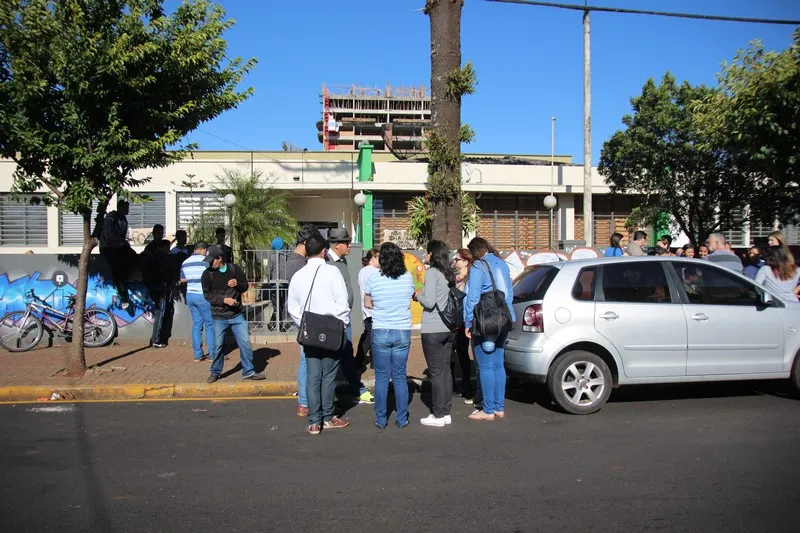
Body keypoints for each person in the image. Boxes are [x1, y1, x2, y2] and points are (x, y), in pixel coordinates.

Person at [287, 234, 351, 435]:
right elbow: (343, 304)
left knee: (313, 376)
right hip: (332, 330)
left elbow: (293, 308)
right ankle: (328, 416)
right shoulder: (332, 272)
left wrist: (304, 324)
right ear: (324, 251)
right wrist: (341, 324)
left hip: (309, 331)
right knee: (329, 376)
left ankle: (315, 422)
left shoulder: (299, 275)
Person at [364, 242, 415, 429]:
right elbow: (410, 298)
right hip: (402, 330)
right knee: (400, 376)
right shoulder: (407, 277)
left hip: (381, 330)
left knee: (382, 377)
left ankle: (381, 419)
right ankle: (402, 419)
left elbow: (367, 303)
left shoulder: (374, 278)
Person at [463, 237, 515, 421]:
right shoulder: (502, 263)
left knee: (485, 365)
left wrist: (468, 323)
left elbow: (473, 298)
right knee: (498, 364)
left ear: (475, 251)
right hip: (504, 320)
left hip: (486, 322)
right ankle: (499, 407)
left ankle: (488, 409)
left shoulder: (479, 267)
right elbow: (509, 293)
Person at [202, 244, 265, 383]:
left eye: (212, 260)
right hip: (219, 316)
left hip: (236, 315)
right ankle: (215, 372)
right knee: (218, 346)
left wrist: (237, 283)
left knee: (245, 344)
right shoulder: (207, 274)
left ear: (219, 258)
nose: (210, 263)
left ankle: (248, 371)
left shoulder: (234, 269)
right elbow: (207, 295)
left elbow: (245, 286)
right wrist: (224, 300)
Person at [326, 227, 374, 405]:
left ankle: (345, 390)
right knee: (342, 355)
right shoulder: (326, 262)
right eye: (347, 243)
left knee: (345, 355)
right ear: (337, 245)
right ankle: (355, 389)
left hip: (344, 317)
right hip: (334, 319)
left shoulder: (342, 261)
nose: (350, 246)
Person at [416, 240, 457, 427]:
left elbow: (429, 302)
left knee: (436, 373)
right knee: (445, 371)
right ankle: (446, 411)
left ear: (432, 254)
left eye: (427, 252)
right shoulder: (447, 273)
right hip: (448, 328)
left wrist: (417, 295)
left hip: (433, 329)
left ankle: (438, 415)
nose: (425, 255)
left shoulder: (432, 273)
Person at [286, 224, 321, 417]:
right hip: (306, 319)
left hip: (304, 318)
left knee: (306, 360)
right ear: (306, 243)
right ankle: (305, 402)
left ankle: (305, 401)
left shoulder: (296, 261)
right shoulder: (298, 264)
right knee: (306, 361)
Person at [99, 199, 137, 309]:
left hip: (119, 246)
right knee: (116, 269)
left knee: (133, 257)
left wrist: (123, 243)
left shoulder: (123, 219)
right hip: (108, 247)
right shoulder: (112, 217)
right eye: (126, 208)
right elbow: (108, 234)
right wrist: (121, 242)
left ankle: (125, 277)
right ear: (120, 207)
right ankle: (123, 295)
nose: (128, 210)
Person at [181, 241, 215, 362]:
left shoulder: (185, 262)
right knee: (210, 324)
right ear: (203, 249)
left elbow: (182, 279)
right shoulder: (205, 262)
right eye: (206, 251)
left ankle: (197, 354)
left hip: (190, 295)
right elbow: (211, 277)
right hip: (202, 295)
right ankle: (212, 354)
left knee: (196, 324)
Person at [453, 248, 479, 406]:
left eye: (458, 259)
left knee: (463, 354)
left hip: (465, 322)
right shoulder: (454, 278)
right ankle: (455, 386)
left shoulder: (471, 280)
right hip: (454, 321)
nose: (455, 262)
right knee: (453, 354)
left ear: (466, 261)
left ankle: (467, 387)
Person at [141, 239, 174, 348]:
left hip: (154, 288)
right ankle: (156, 340)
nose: (168, 250)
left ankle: (155, 339)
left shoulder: (152, 258)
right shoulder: (161, 259)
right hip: (160, 289)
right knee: (160, 313)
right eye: (167, 247)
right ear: (161, 247)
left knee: (159, 313)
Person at [356, 248, 380, 371]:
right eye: (379, 257)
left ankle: (367, 360)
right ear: (373, 258)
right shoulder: (375, 272)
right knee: (371, 336)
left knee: (369, 334)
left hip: (366, 309)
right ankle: (360, 359)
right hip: (373, 309)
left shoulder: (362, 271)